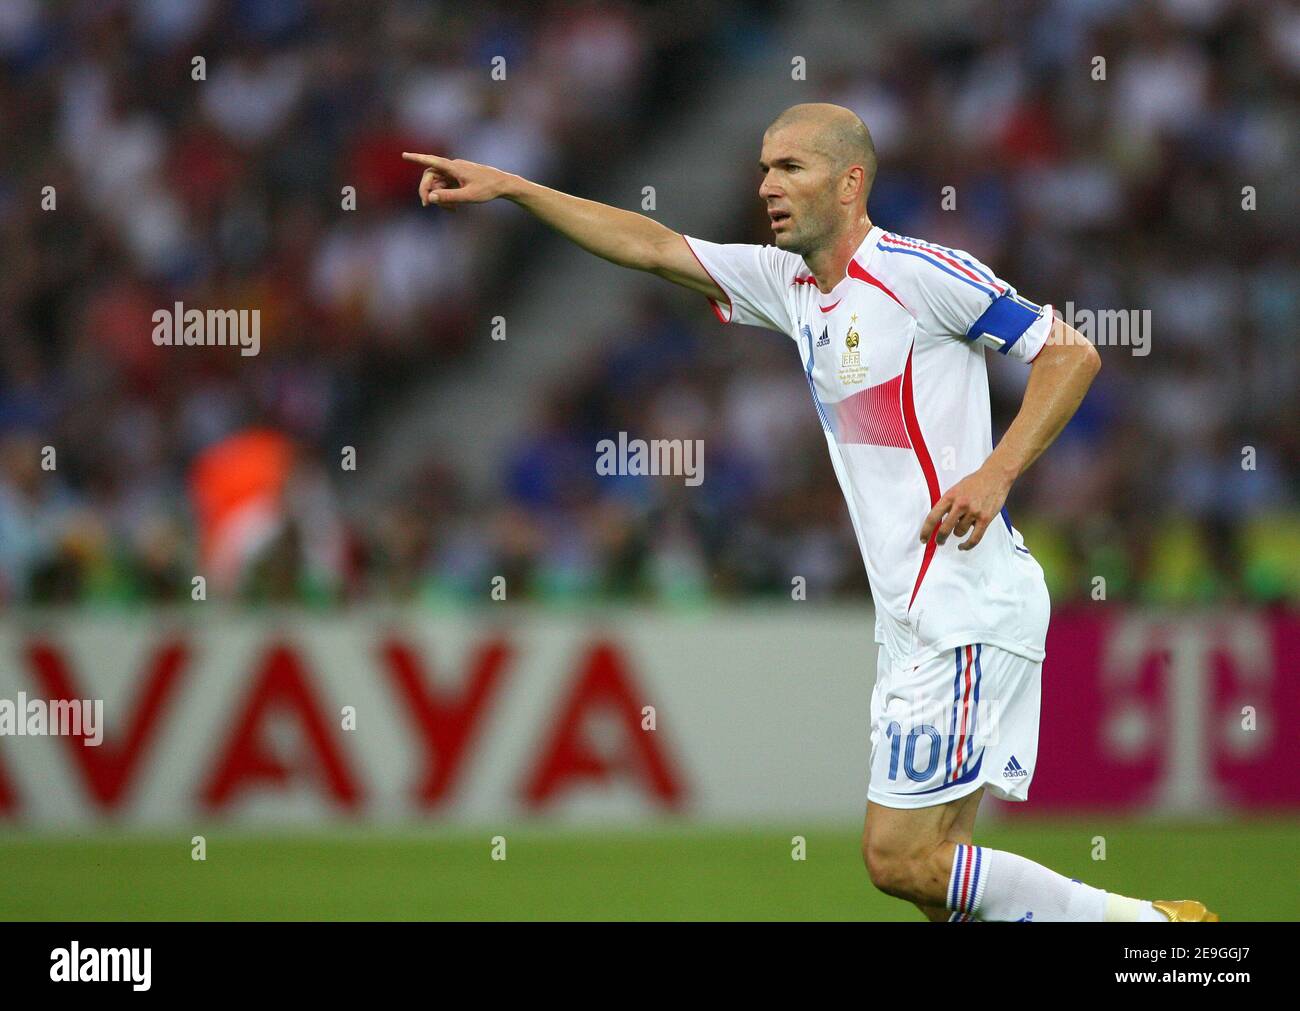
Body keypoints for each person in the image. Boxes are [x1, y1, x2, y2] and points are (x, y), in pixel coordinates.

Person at [402, 102, 1217, 922]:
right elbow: (650, 246)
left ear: (850, 181)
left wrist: (997, 472)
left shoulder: (918, 273)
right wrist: (512, 187)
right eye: (763, 167)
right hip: (910, 621)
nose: (766, 186)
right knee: (945, 882)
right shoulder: (790, 287)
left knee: (898, 859)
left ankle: (1151, 929)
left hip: (963, 601)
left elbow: (1070, 352)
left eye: (789, 167)